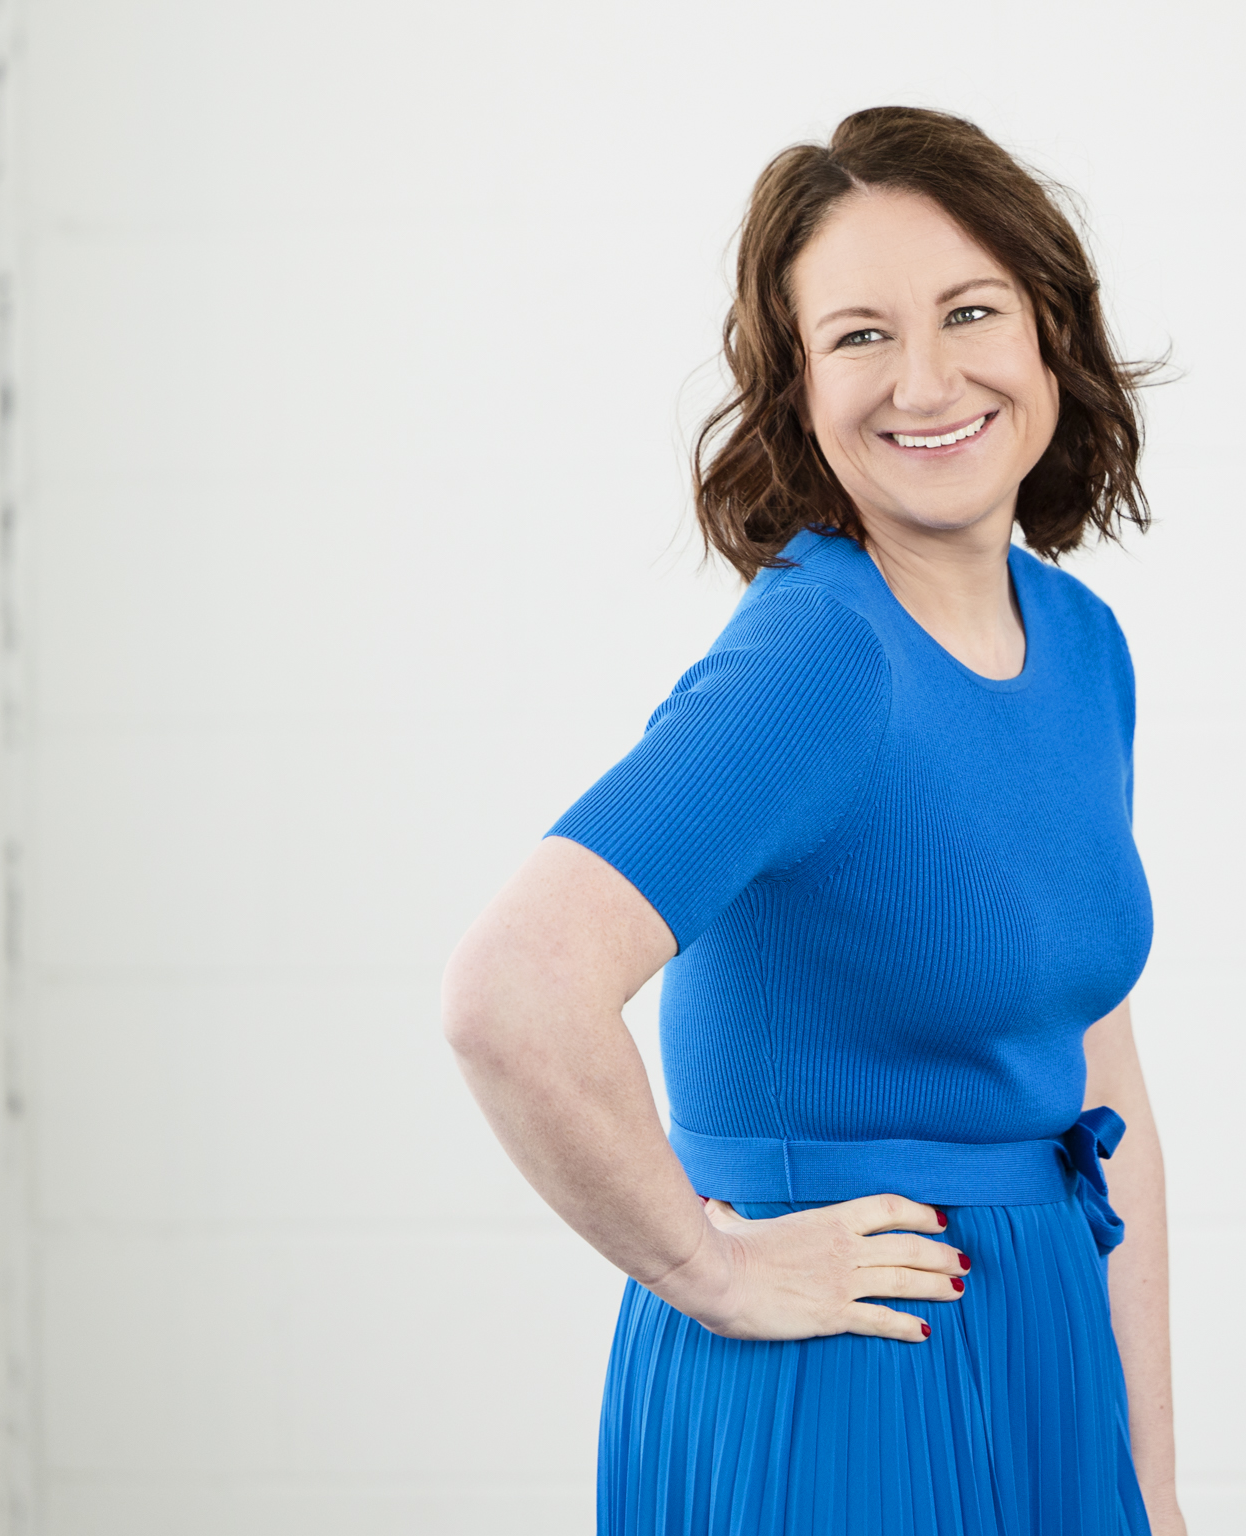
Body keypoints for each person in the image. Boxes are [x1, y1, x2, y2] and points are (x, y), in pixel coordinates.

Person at [441, 105, 1185, 1536]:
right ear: (795, 387)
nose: (926, 378)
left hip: (1044, 1352)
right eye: (859, 335)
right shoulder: (819, 660)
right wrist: (712, 1270)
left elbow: (1105, 1074)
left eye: (971, 311)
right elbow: (512, 992)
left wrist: (1149, 1484)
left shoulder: (1083, 646)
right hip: (847, 1372)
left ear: (1049, 335)